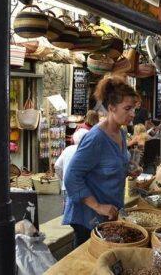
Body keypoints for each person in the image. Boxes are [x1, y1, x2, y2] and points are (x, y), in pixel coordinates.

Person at [63, 76, 141, 248]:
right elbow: (71, 177)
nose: (132, 114)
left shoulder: (120, 133)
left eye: (133, 108)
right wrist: (97, 206)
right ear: (111, 108)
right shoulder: (96, 138)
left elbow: (110, 164)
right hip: (88, 217)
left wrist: (129, 169)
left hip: (109, 213)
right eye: (127, 108)